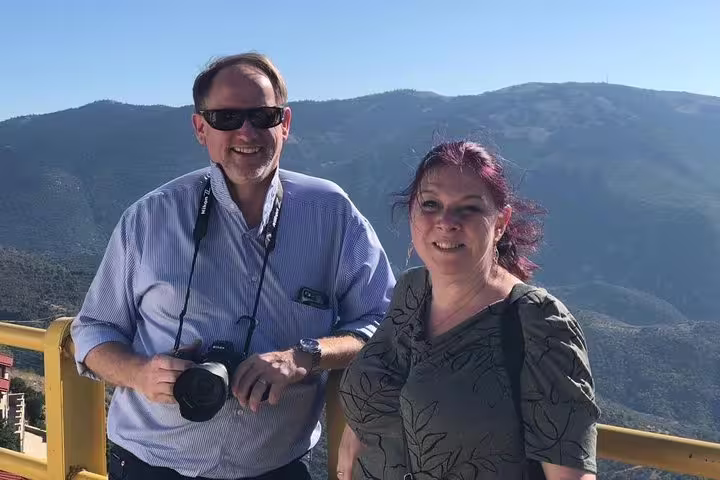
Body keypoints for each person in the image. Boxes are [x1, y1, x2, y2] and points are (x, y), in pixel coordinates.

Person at [70, 52, 395, 480]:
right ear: (200, 128)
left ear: (286, 123)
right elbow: (92, 329)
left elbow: (383, 321)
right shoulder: (150, 218)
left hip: (277, 467)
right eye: (226, 117)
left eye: (263, 115)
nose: (247, 131)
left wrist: (306, 356)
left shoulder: (331, 214)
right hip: (151, 463)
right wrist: (139, 374)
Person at [337, 141, 600, 479]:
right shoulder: (412, 290)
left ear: (501, 222)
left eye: (469, 209)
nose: (446, 222)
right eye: (431, 204)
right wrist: (359, 423)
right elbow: (390, 384)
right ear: (412, 212)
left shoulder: (538, 321)